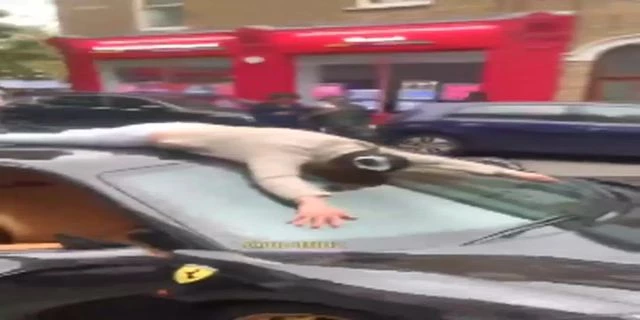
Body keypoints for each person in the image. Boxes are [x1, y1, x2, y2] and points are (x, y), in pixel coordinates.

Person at [0, 123, 557, 229]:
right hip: (155, 134)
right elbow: (275, 179)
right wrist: (310, 201)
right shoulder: (273, 149)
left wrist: (516, 177)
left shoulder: (360, 148)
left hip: (240, 138)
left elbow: (437, 161)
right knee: (57, 140)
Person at [305, 95, 377, 141]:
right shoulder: (360, 108)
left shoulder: (332, 111)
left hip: (344, 135)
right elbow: (367, 119)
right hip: (363, 133)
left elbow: (311, 119)